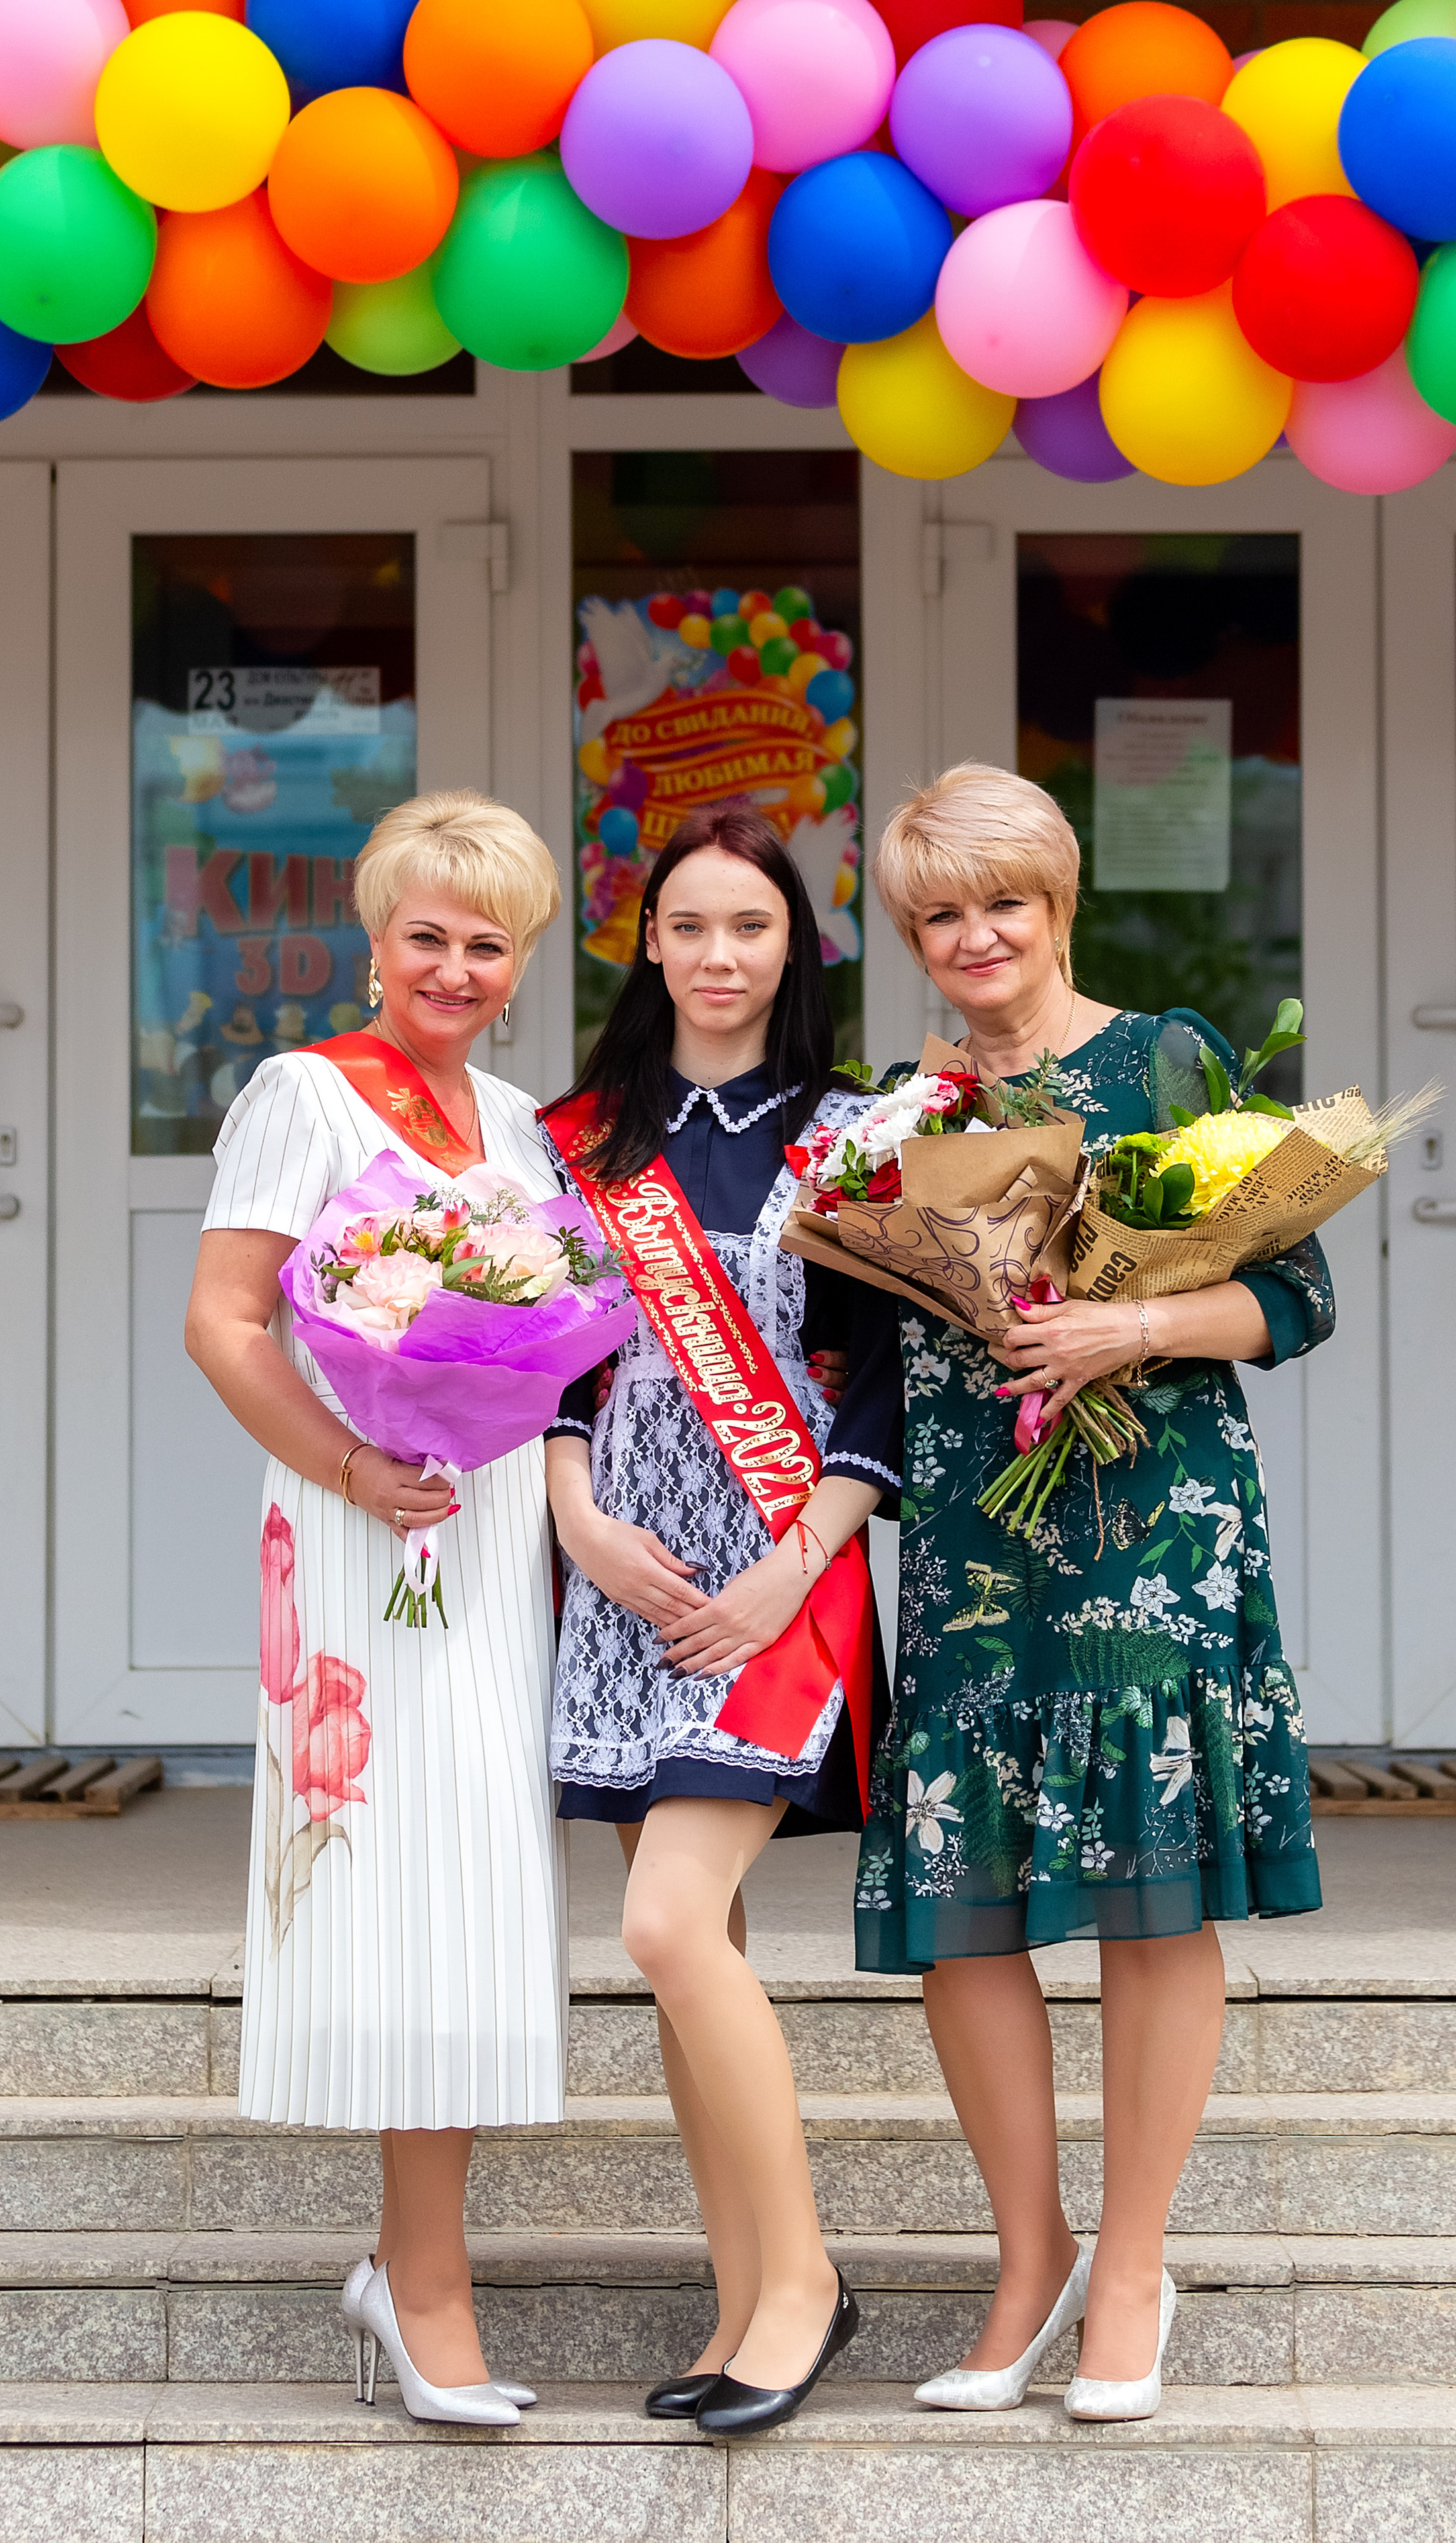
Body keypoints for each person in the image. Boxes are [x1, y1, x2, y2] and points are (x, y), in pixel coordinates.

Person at [853, 763, 1326, 2423]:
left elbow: (1293, 1293)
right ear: (911, 937)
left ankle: (1130, 2267)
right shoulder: (898, 1112)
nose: (974, 935)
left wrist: (1126, 1324)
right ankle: (1029, 2257)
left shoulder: (1165, 1059)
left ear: (1057, 904)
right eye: (939, 914)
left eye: (1003, 901)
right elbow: (863, 1317)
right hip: (974, 1541)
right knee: (963, 1907)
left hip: (1151, 1526)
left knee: (1148, 1892)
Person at [184, 789, 568, 2431]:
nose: (454, 969)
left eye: (489, 943)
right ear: (374, 936)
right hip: (358, 1532)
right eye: (428, 936)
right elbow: (224, 1321)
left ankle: (408, 2266)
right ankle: (426, 2287)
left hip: (484, 1533)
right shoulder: (306, 1093)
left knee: (474, 1880)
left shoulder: (520, 1123)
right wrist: (352, 1465)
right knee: (397, 1882)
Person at [540, 801, 903, 2438]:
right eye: (686, 924)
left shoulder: (854, 1135)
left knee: (668, 1927)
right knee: (702, 1959)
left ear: (792, 947)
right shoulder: (580, 1136)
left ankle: (805, 2285)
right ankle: (741, 2291)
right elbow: (547, 1354)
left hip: (775, 1582)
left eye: (747, 926)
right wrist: (574, 1517)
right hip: (628, 1579)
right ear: (648, 942)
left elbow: (885, 1374)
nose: (715, 954)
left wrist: (796, 1563)